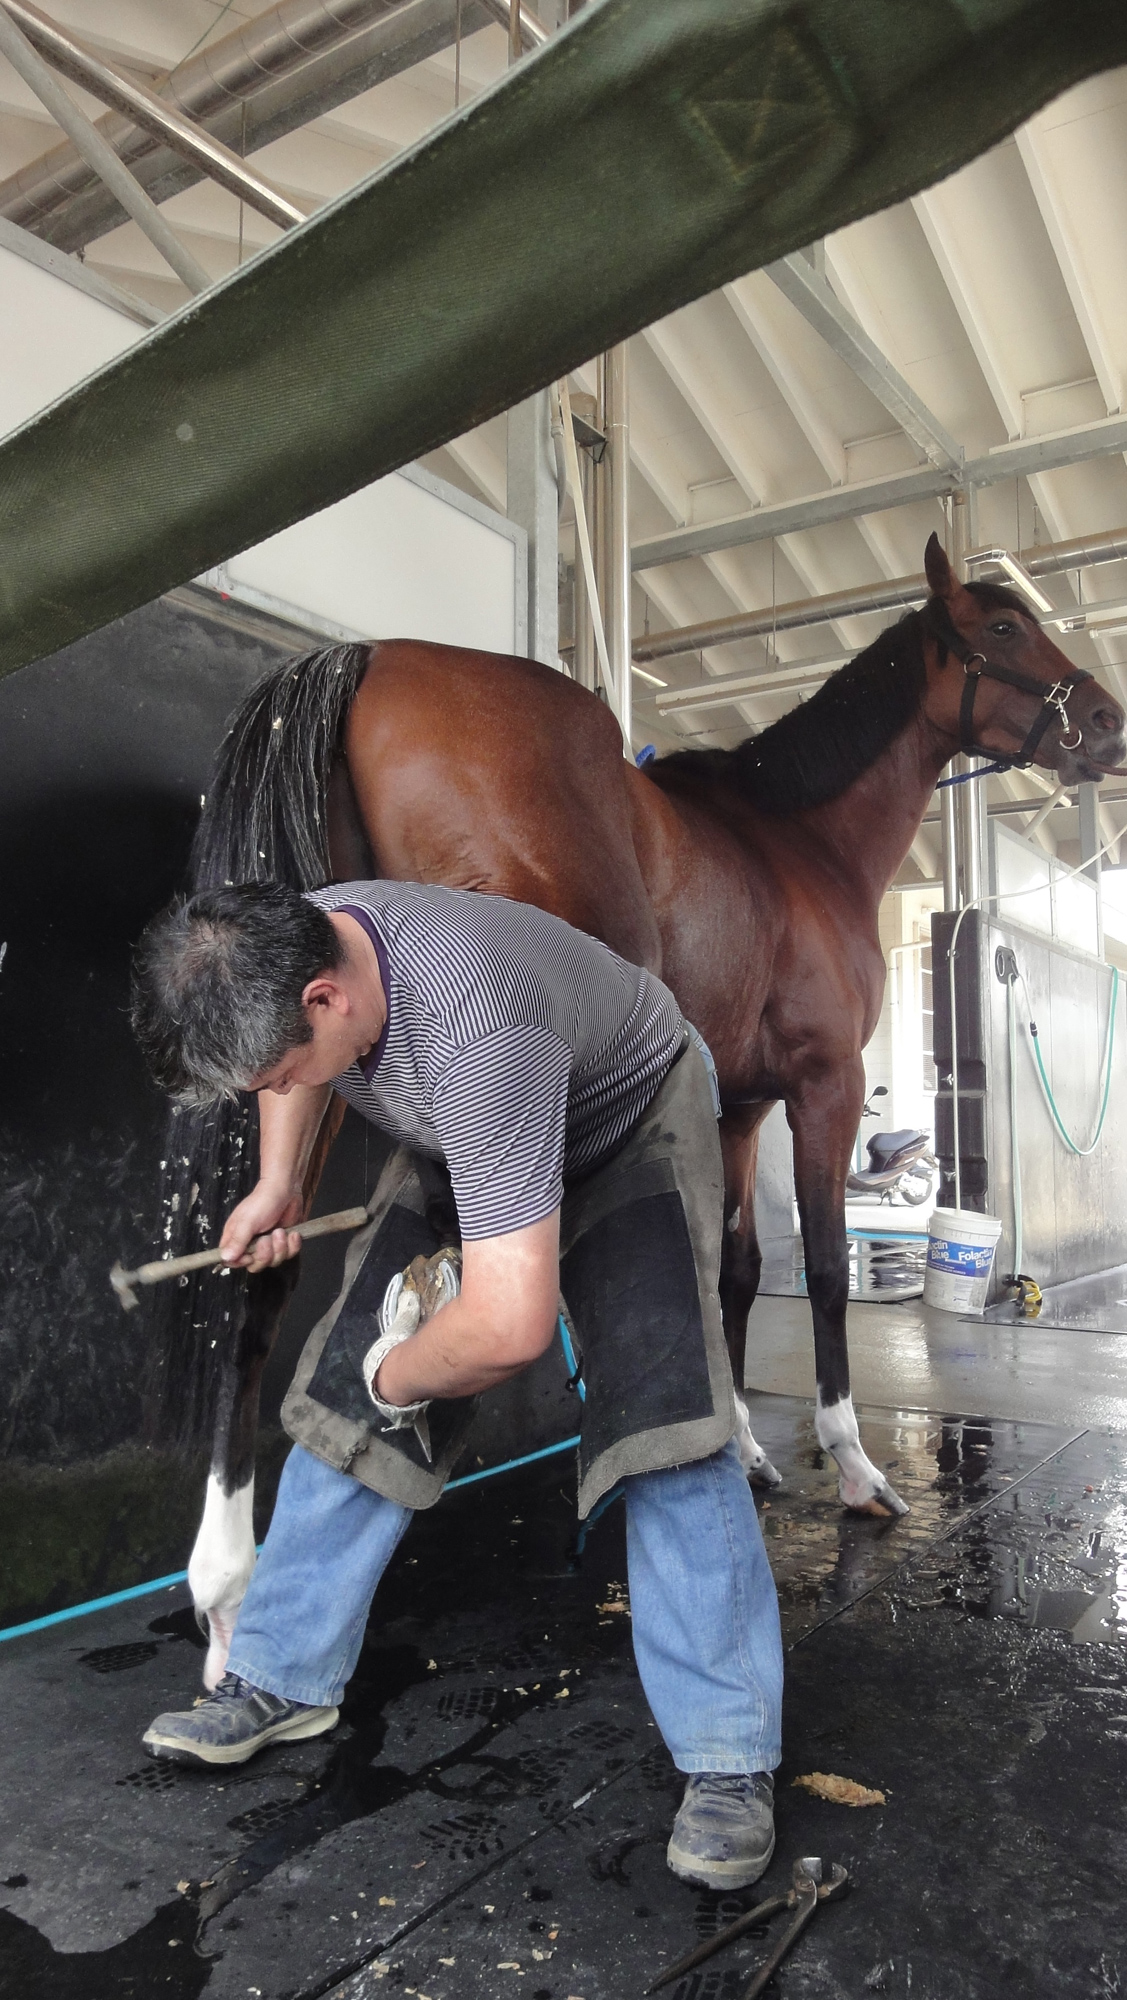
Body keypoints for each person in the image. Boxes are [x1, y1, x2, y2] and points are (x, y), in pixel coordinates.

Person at [130, 878, 783, 1890]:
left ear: (325, 1002)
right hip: (464, 1130)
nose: (276, 1081)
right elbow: (287, 1069)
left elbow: (508, 1326)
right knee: (340, 1400)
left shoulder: (477, 1037)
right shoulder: (286, 936)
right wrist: (279, 1185)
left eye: (274, 1066)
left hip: (624, 1119)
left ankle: (729, 1755)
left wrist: (396, 1372)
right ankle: (282, 1675)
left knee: (661, 1418)